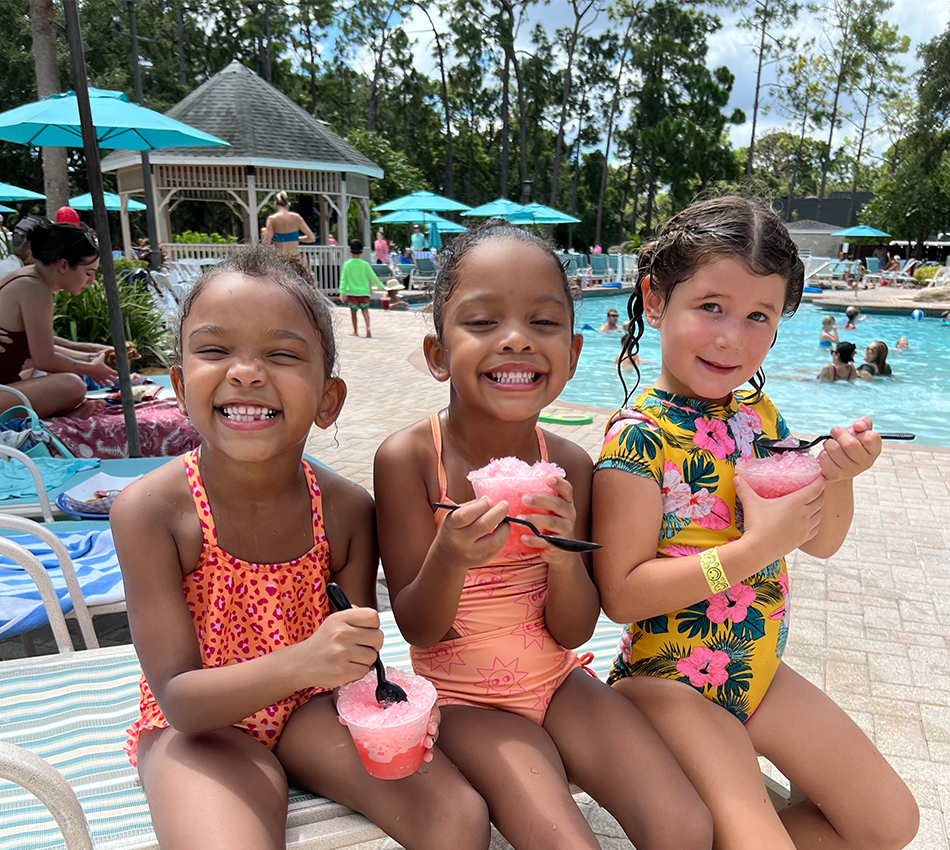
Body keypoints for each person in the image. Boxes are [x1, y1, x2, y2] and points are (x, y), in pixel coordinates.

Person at [110, 248, 489, 850]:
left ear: (328, 400)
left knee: (457, 817)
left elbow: (357, 660)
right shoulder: (151, 512)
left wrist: (391, 708)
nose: (246, 373)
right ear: (179, 387)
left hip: (315, 712)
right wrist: (306, 662)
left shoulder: (343, 511)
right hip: (205, 727)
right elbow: (178, 698)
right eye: (215, 351)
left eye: (282, 355)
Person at [374, 220, 713, 850]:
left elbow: (576, 630)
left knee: (684, 826)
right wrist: (448, 556)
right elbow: (418, 628)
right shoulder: (410, 460)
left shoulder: (570, 466)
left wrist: (562, 563)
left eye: (544, 322)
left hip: (558, 680)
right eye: (481, 322)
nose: (515, 341)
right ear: (437, 353)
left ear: (575, 353)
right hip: (464, 699)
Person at [591, 196, 918, 849]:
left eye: (757, 316)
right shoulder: (638, 440)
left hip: (754, 672)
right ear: (655, 300)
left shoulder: (758, 417)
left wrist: (838, 477)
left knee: (887, 824)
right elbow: (622, 592)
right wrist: (752, 550)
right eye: (710, 306)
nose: (730, 336)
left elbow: (820, 541)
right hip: (667, 681)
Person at [0, 221, 117, 417]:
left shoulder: (26, 279)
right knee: (72, 385)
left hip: (6, 386)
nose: (91, 281)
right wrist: (90, 368)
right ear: (63, 265)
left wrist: (91, 353)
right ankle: (68, 417)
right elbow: (44, 359)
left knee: (60, 375)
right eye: (88, 273)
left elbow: (43, 343)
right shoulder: (34, 289)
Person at [339, 239, 384, 338]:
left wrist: (341, 292)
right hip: (364, 293)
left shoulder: (347, 265)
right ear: (362, 252)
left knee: (353, 312)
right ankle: (368, 327)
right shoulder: (365, 265)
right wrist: (381, 286)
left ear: (350, 251)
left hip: (352, 293)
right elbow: (373, 277)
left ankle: (355, 331)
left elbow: (343, 280)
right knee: (365, 311)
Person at [262, 191, 316, 256]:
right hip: (295, 258)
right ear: (288, 204)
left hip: (280, 259)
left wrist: (264, 236)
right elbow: (311, 238)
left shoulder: (272, 219)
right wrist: (295, 238)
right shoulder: (297, 217)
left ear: (275, 205)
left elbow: (266, 242)